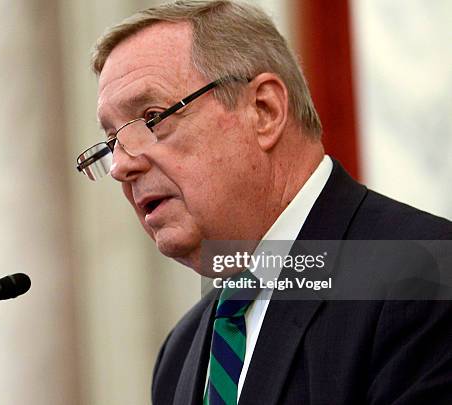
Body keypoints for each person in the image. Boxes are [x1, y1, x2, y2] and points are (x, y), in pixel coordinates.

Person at [75, 1, 452, 404]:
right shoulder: (179, 354)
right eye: (113, 143)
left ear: (264, 110)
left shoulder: (426, 280)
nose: (121, 167)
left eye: (151, 118)